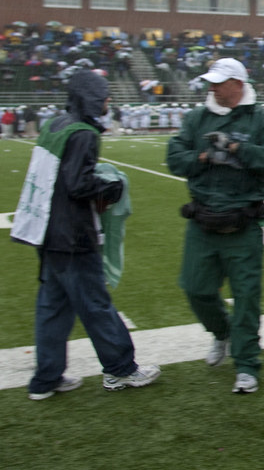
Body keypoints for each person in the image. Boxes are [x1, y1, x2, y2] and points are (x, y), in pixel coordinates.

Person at [12, 70, 160, 400]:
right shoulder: (82, 134)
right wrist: (113, 186)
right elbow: (78, 184)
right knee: (95, 304)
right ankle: (120, 369)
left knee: (52, 306)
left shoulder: (55, 124)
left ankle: (46, 379)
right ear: (90, 97)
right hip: (72, 234)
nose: (108, 100)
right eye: (104, 94)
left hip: (47, 231)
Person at [166, 57, 264, 393]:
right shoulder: (196, 118)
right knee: (196, 289)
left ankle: (247, 364)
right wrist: (203, 156)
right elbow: (174, 159)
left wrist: (237, 148)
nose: (213, 87)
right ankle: (222, 332)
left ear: (238, 84)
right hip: (203, 220)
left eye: (219, 82)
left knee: (247, 297)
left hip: (243, 222)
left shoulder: (260, 118)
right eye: (211, 82)